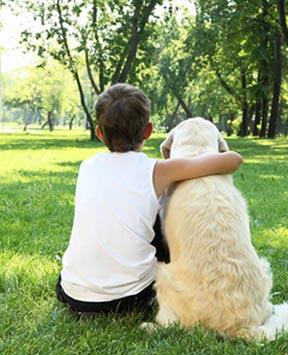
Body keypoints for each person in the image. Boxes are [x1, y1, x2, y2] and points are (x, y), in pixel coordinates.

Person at [56, 83, 243, 316]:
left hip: (73, 295)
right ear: (148, 131)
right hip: (131, 299)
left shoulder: (87, 166)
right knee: (162, 217)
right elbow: (233, 160)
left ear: (99, 133)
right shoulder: (156, 171)